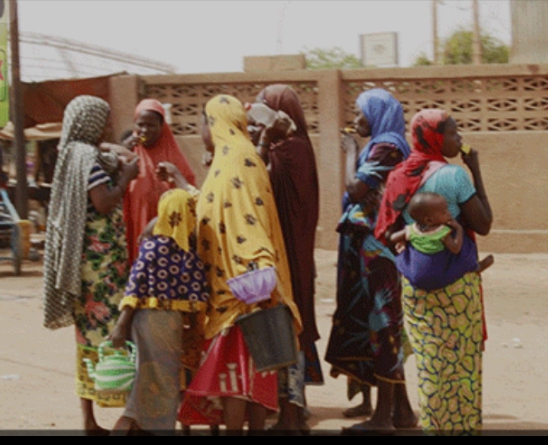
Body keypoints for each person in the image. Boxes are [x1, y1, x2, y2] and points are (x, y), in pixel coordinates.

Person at [177, 94, 302, 435]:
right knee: (250, 375)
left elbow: (251, 219)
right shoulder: (231, 158)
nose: (202, 129)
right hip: (236, 284)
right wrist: (180, 185)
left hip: (241, 287)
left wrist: (259, 271)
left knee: (238, 377)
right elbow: (211, 207)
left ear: (215, 124)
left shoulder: (238, 160)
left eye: (204, 121)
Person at [374, 108, 493, 435]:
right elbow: (483, 224)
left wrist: (413, 240)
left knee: (430, 367)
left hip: (416, 288)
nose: (459, 139)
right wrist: (476, 171)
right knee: (462, 366)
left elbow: (386, 230)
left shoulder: (399, 176)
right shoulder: (454, 177)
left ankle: (433, 428)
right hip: (456, 288)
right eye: (453, 133)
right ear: (437, 139)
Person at [42, 95, 140, 435]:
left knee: (86, 339)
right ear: (91, 124)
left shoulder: (73, 153)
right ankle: (129, 415)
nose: (110, 127)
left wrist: (120, 158)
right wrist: (125, 179)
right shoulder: (88, 157)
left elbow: (120, 157)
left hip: (84, 266)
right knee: (119, 333)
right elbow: (102, 202)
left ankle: (90, 420)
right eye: (105, 121)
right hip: (101, 267)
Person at [324, 88, 417, 435]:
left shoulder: (387, 146)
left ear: (377, 115)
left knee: (384, 323)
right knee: (380, 324)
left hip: (381, 250)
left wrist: (349, 154)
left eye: (361, 114)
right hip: (368, 247)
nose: (355, 120)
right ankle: (402, 410)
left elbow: (356, 189)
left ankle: (382, 418)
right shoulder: (379, 145)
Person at [251, 84, 323, 434]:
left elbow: (257, 181)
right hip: (294, 253)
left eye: (266, 109)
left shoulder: (289, 150)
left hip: (287, 255)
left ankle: (291, 412)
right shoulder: (296, 147)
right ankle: (295, 404)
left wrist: (263, 139)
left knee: (286, 323)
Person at [109, 188, 209, 436]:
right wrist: (196, 334)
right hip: (170, 323)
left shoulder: (151, 247)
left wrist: (123, 324)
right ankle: (147, 425)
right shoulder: (190, 254)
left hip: (144, 321)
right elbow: (198, 298)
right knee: (165, 379)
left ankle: (134, 422)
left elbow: (135, 285)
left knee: (147, 373)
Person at [123, 98, 196, 265]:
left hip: (165, 228)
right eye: (140, 125)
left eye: (151, 125)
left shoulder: (173, 156)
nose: (144, 130)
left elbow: (189, 192)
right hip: (136, 221)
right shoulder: (128, 153)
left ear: (162, 127)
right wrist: (123, 152)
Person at [390, 192, 494, 289]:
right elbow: (455, 248)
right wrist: (459, 229)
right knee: (463, 257)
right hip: (437, 276)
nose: (449, 214)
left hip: (415, 275)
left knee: (401, 257)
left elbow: (393, 237)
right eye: (444, 212)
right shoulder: (442, 232)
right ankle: (475, 266)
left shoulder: (412, 230)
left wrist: (403, 241)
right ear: (429, 220)